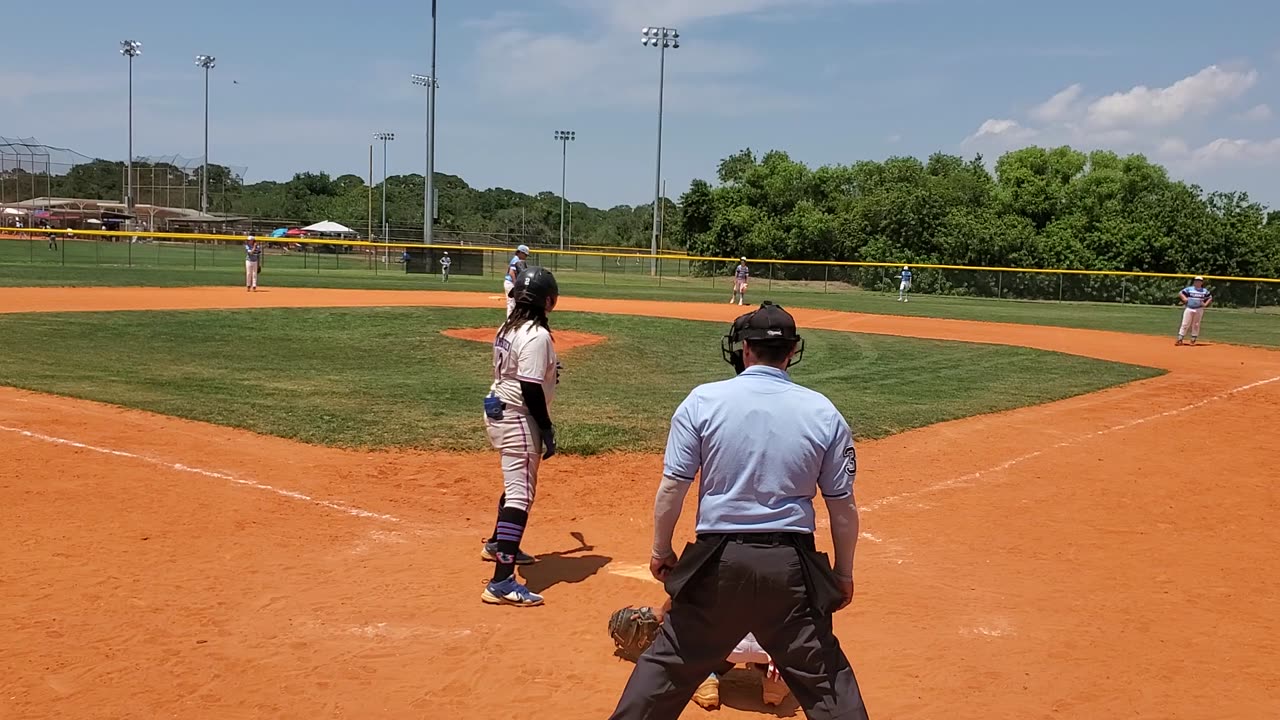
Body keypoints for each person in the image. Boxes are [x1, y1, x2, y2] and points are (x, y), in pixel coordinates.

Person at [609, 301, 869, 720]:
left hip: (717, 563)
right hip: (790, 568)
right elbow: (842, 507)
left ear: (746, 349)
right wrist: (843, 574)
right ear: (792, 351)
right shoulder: (824, 412)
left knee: (665, 668)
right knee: (827, 682)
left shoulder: (703, 400)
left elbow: (673, 487)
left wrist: (661, 550)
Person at [480, 266, 560, 607]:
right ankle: (501, 581)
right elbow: (529, 386)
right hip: (518, 417)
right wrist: (546, 428)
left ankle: (498, 543)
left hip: (499, 409)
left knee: (516, 484)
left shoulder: (509, 326)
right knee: (520, 496)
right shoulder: (537, 335)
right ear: (549, 301)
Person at [1176, 275, 1212, 346]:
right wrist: (1184, 299)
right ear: (1194, 282)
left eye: (1199, 281)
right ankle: (1180, 339)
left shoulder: (1204, 291)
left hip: (1199, 309)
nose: (1198, 282)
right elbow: (1180, 293)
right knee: (1185, 323)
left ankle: (1193, 339)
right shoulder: (1189, 289)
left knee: (1196, 324)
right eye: (1196, 281)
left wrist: (1205, 304)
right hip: (1189, 308)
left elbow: (1210, 297)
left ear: (1202, 282)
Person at [504, 244, 531, 317]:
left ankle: (514, 319)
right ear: (520, 253)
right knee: (511, 303)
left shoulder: (518, 260)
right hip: (511, 283)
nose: (526, 257)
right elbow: (511, 272)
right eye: (525, 255)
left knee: (515, 303)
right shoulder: (516, 260)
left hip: (511, 283)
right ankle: (509, 321)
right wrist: (516, 284)